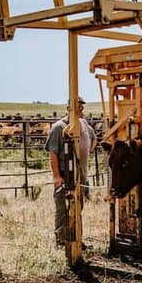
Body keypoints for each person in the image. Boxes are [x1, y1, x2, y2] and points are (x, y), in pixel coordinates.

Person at [44, 96, 96, 246]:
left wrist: (87, 152)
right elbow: (53, 153)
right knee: (63, 209)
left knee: (78, 209)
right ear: (68, 109)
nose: (81, 109)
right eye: (77, 106)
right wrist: (56, 177)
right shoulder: (59, 127)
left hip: (81, 175)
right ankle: (61, 241)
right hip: (65, 175)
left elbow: (93, 139)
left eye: (82, 106)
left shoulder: (84, 124)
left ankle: (76, 239)